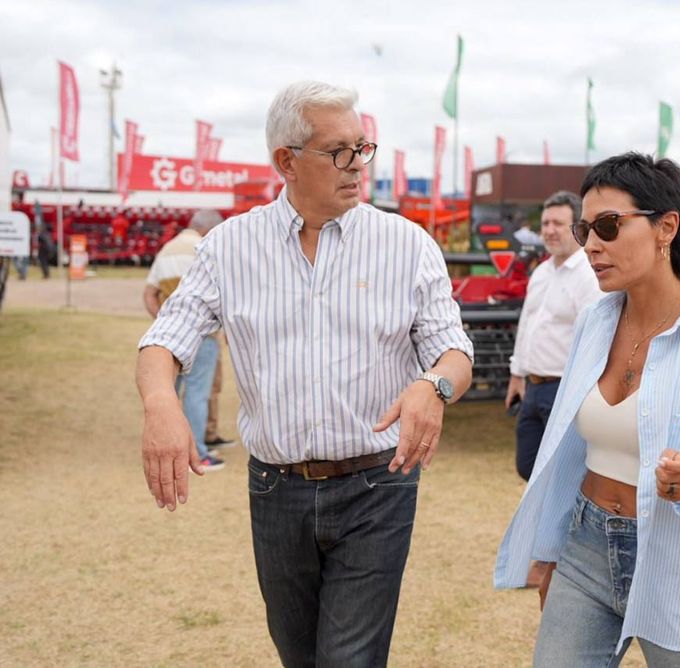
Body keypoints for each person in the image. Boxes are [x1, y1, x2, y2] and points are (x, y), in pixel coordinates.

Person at [136, 80, 474, 667]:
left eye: (362, 147)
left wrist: (434, 386)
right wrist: (162, 405)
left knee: (349, 658)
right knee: (298, 655)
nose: (357, 165)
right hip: (276, 489)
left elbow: (454, 351)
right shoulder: (228, 248)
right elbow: (164, 340)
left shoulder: (407, 245)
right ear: (286, 162)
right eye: (338, 151)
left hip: (377, 486)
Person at [495, 152, 680, 667]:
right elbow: (568, 453)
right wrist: (552, 548)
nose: (592, 246)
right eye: (586, 230)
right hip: (585, 546)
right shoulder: (593, 323)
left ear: (666, 226)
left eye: (608, 226)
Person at [506, 190, 603, 482]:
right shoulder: (541, 272)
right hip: (533, 388)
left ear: (577, 228)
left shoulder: (589, 276)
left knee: (562, 474)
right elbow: (527, 325)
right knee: (527, 466)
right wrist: (516, 375)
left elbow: (594, 343)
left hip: (565, 389)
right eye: (545, 223)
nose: (549, 230)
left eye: (558, 223)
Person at [143, 208, 227, 471]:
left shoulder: (166, 250)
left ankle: (175, 446)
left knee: (171, 392)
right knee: (198, 395)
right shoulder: (207, 247)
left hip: (170, 339)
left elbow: (149, 294)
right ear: (209, 229)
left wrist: (166, 323)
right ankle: (199, 452)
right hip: (203, 334)